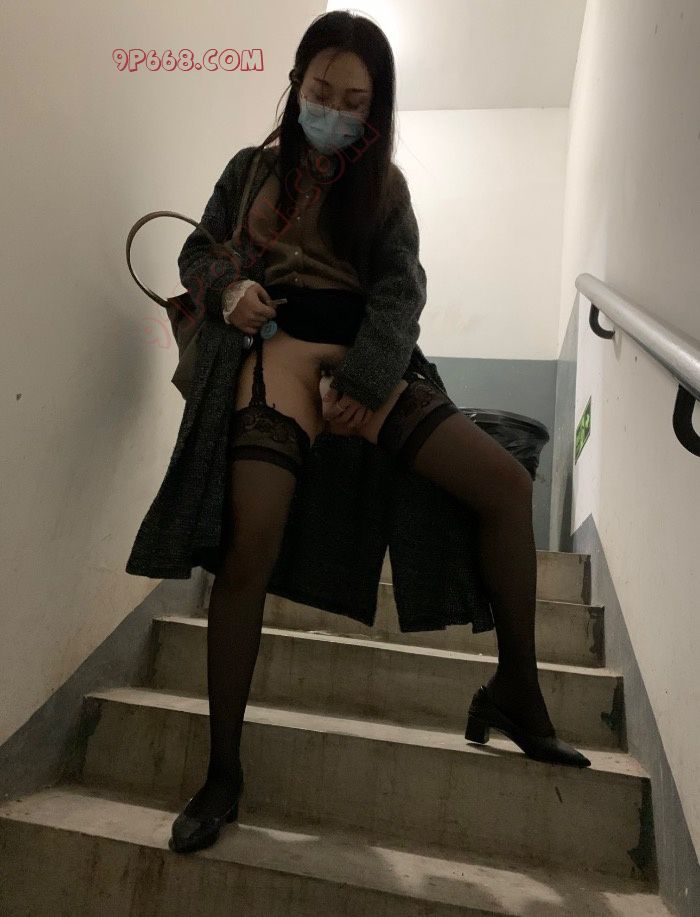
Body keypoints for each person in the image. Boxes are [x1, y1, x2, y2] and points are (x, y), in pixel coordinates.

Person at [168, 10, 590, 856]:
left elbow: (402, 292)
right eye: (320, 91)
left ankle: (516, 690)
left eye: (353, 101)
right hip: (277, 349)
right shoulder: (250, 169)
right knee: (250, 544)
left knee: (506, 486)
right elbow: (197, 253)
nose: (332, 110)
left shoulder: (385, 189)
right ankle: (222, 771)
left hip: (365, 357)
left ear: (376, 108)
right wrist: (227, 291)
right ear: (296, 82)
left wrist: (365, 381)